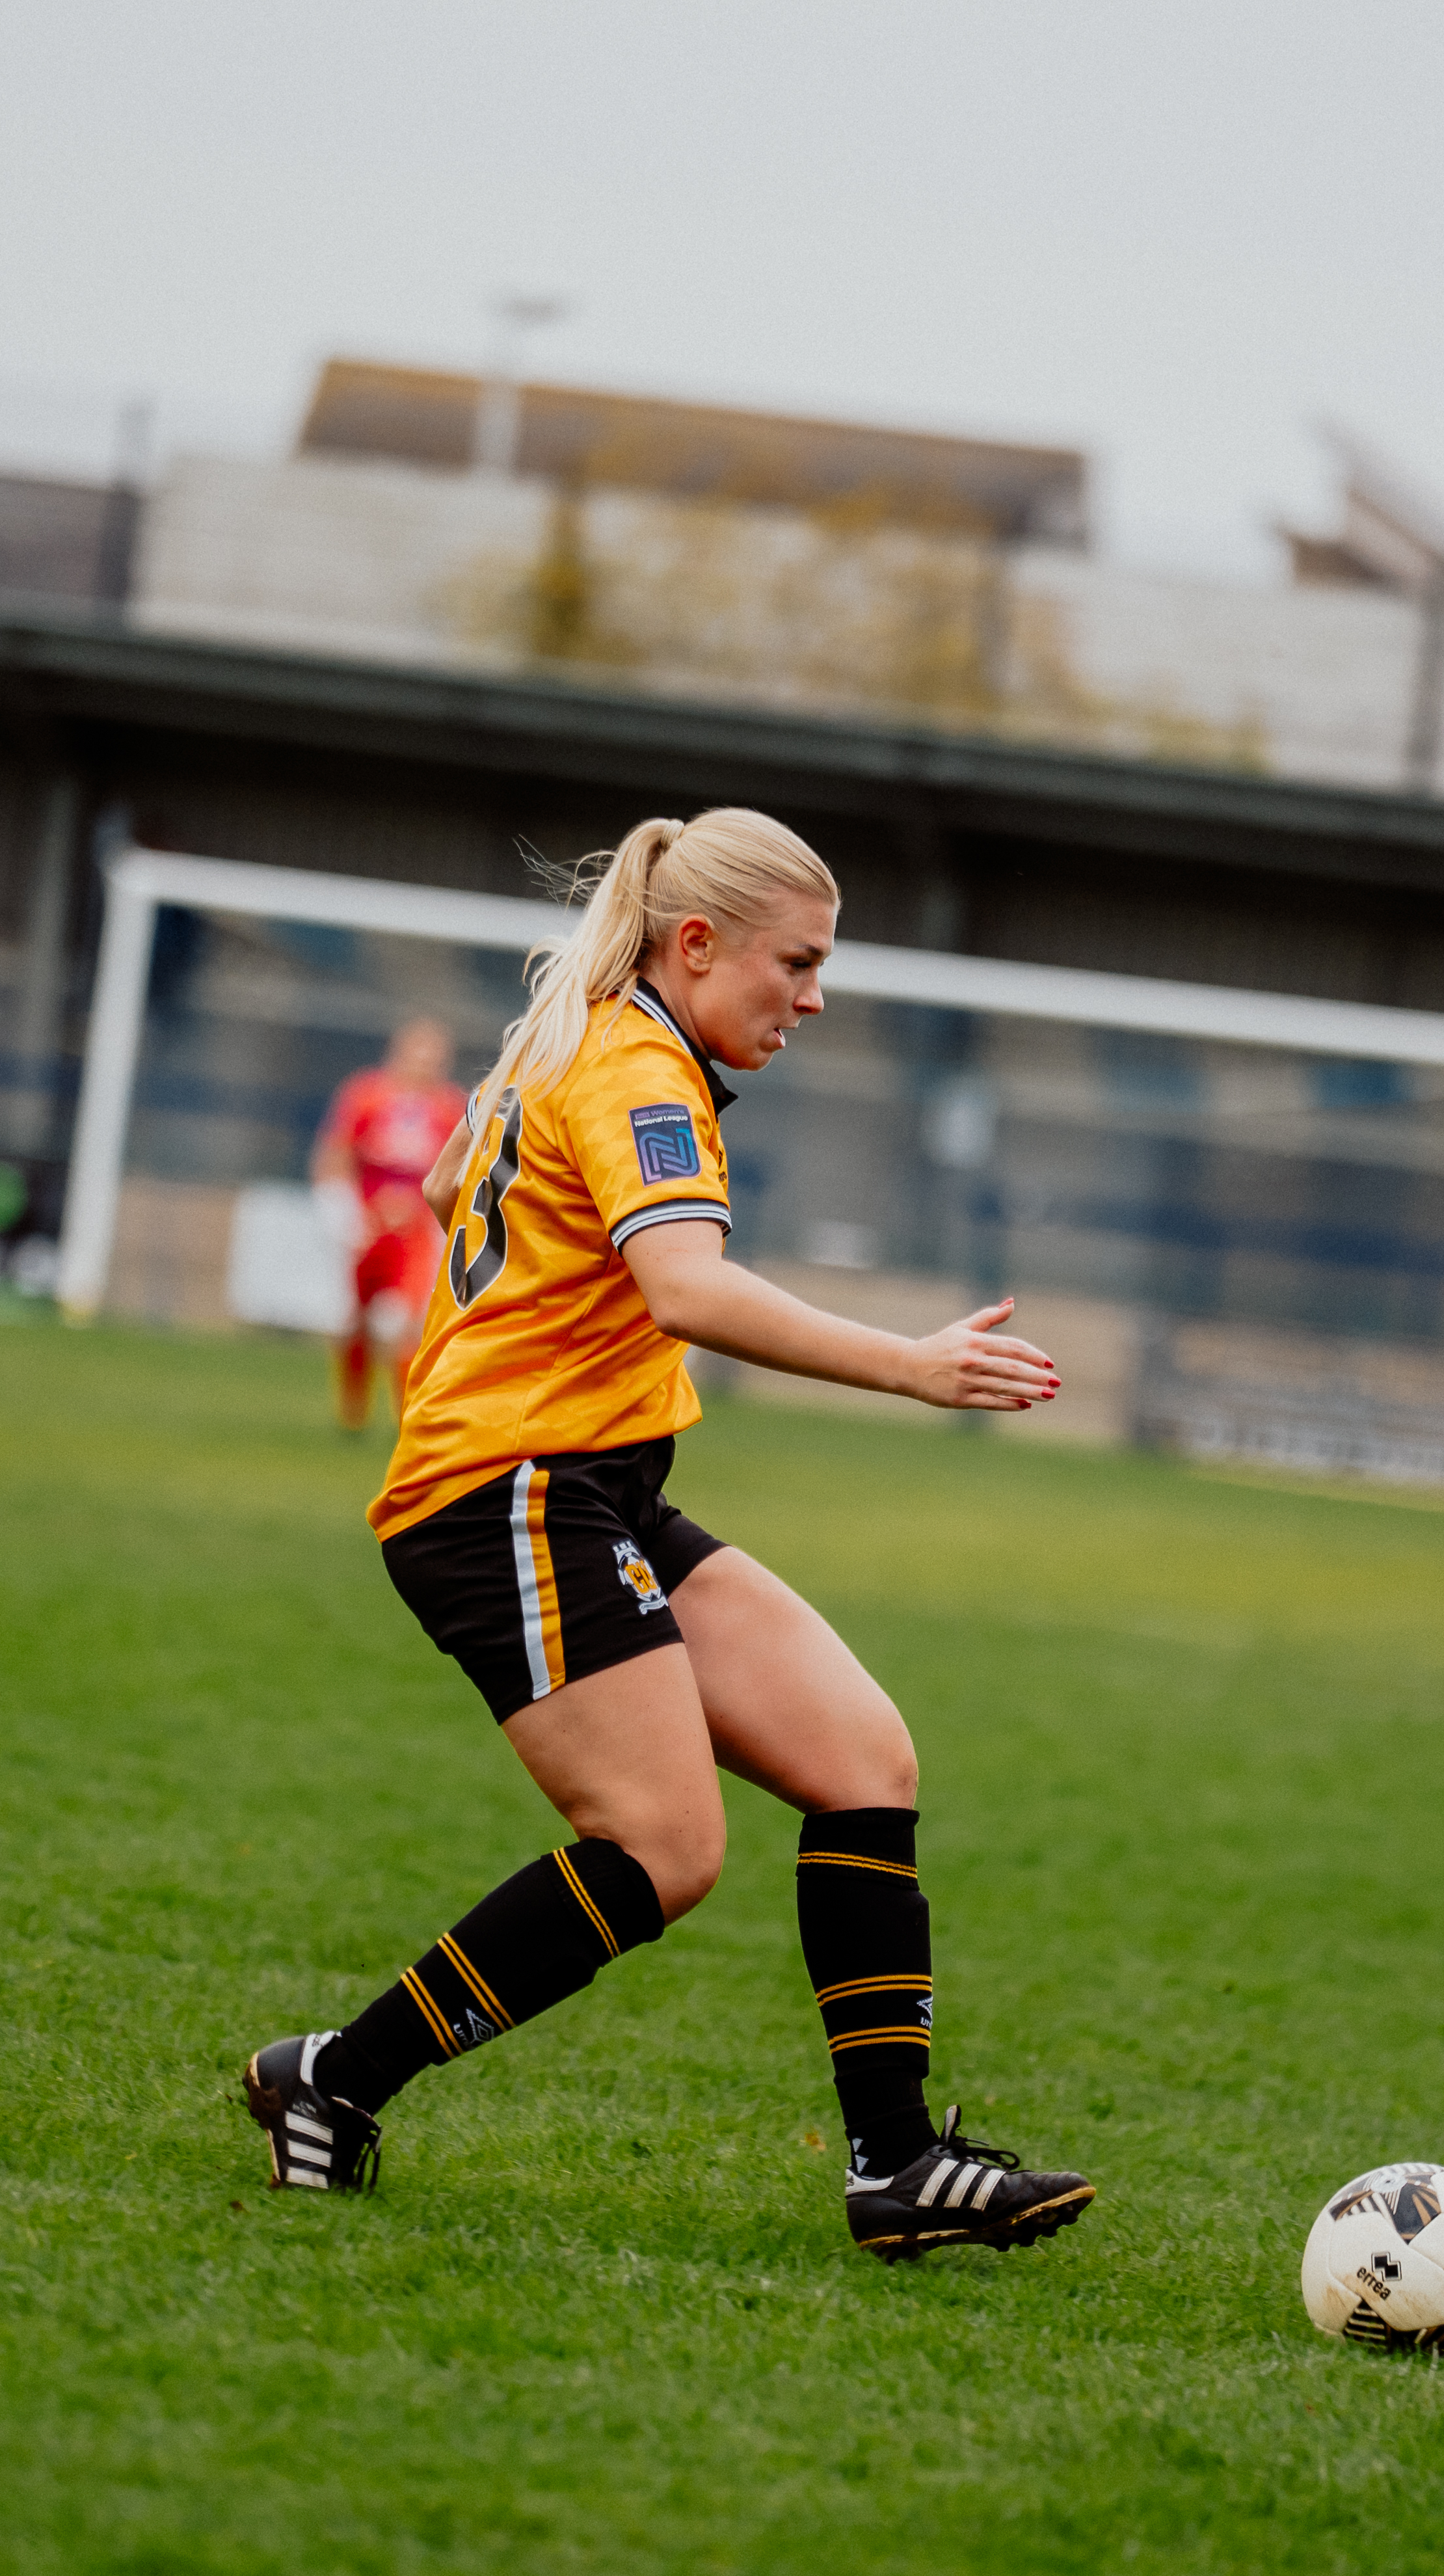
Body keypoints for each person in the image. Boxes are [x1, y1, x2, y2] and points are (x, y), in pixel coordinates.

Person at [239, 809, 1097, 2262]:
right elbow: (688, 1289)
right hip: (507, 1486)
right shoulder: (636, 1063)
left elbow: (457, 1185)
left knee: (861, 1757)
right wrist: (911, 1363)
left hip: (594, 1482)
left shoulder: (575, 1033)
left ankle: (895, 2165)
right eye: (798, 963)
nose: (815, 996)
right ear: (696, 945)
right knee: (663, 1844)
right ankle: (332, 2077)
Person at [310, 1016, 470, 1429]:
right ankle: (353, 1413)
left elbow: (462, 1172)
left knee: (407, 1323)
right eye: (416, 1051)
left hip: (417, 1229)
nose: (424, 1063)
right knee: (354, 1319)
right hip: (367, 1223)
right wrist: (343, 1213)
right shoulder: (366, 1095)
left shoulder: (452, 1107)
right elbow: (335, 1153)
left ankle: (408, 1421)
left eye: (434, 1055)